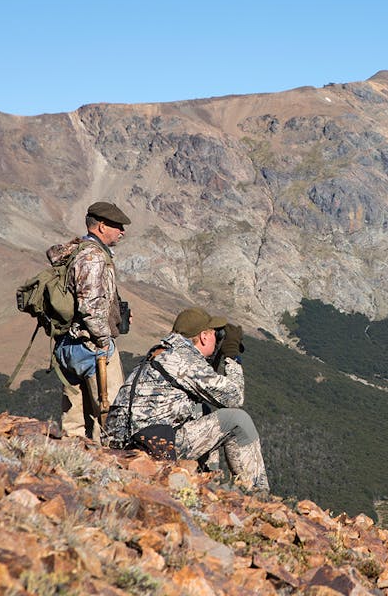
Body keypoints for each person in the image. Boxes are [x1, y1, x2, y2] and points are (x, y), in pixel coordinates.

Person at [105, 307, 269, 494]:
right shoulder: (185, 361)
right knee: (238, 421)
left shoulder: (163, 353)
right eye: (216, 334)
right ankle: (258, 493)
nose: (218, 339)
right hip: (150, 449)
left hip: (124, 443)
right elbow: (234, 397)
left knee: (203, 412)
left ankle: (205, 480)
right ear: (204, 337)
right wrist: (232, 355)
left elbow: (204, 389)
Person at [47, 201, 131, 441]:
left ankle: (72, 466)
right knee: (111, 415)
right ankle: (110, 468)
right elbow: (90, 305)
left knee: (73, 420)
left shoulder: (74, 250)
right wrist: (104, 340)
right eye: (118, 226)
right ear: (102, 226)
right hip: (92, 346)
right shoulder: (94, 257)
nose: (122, 232)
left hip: (67, 344)